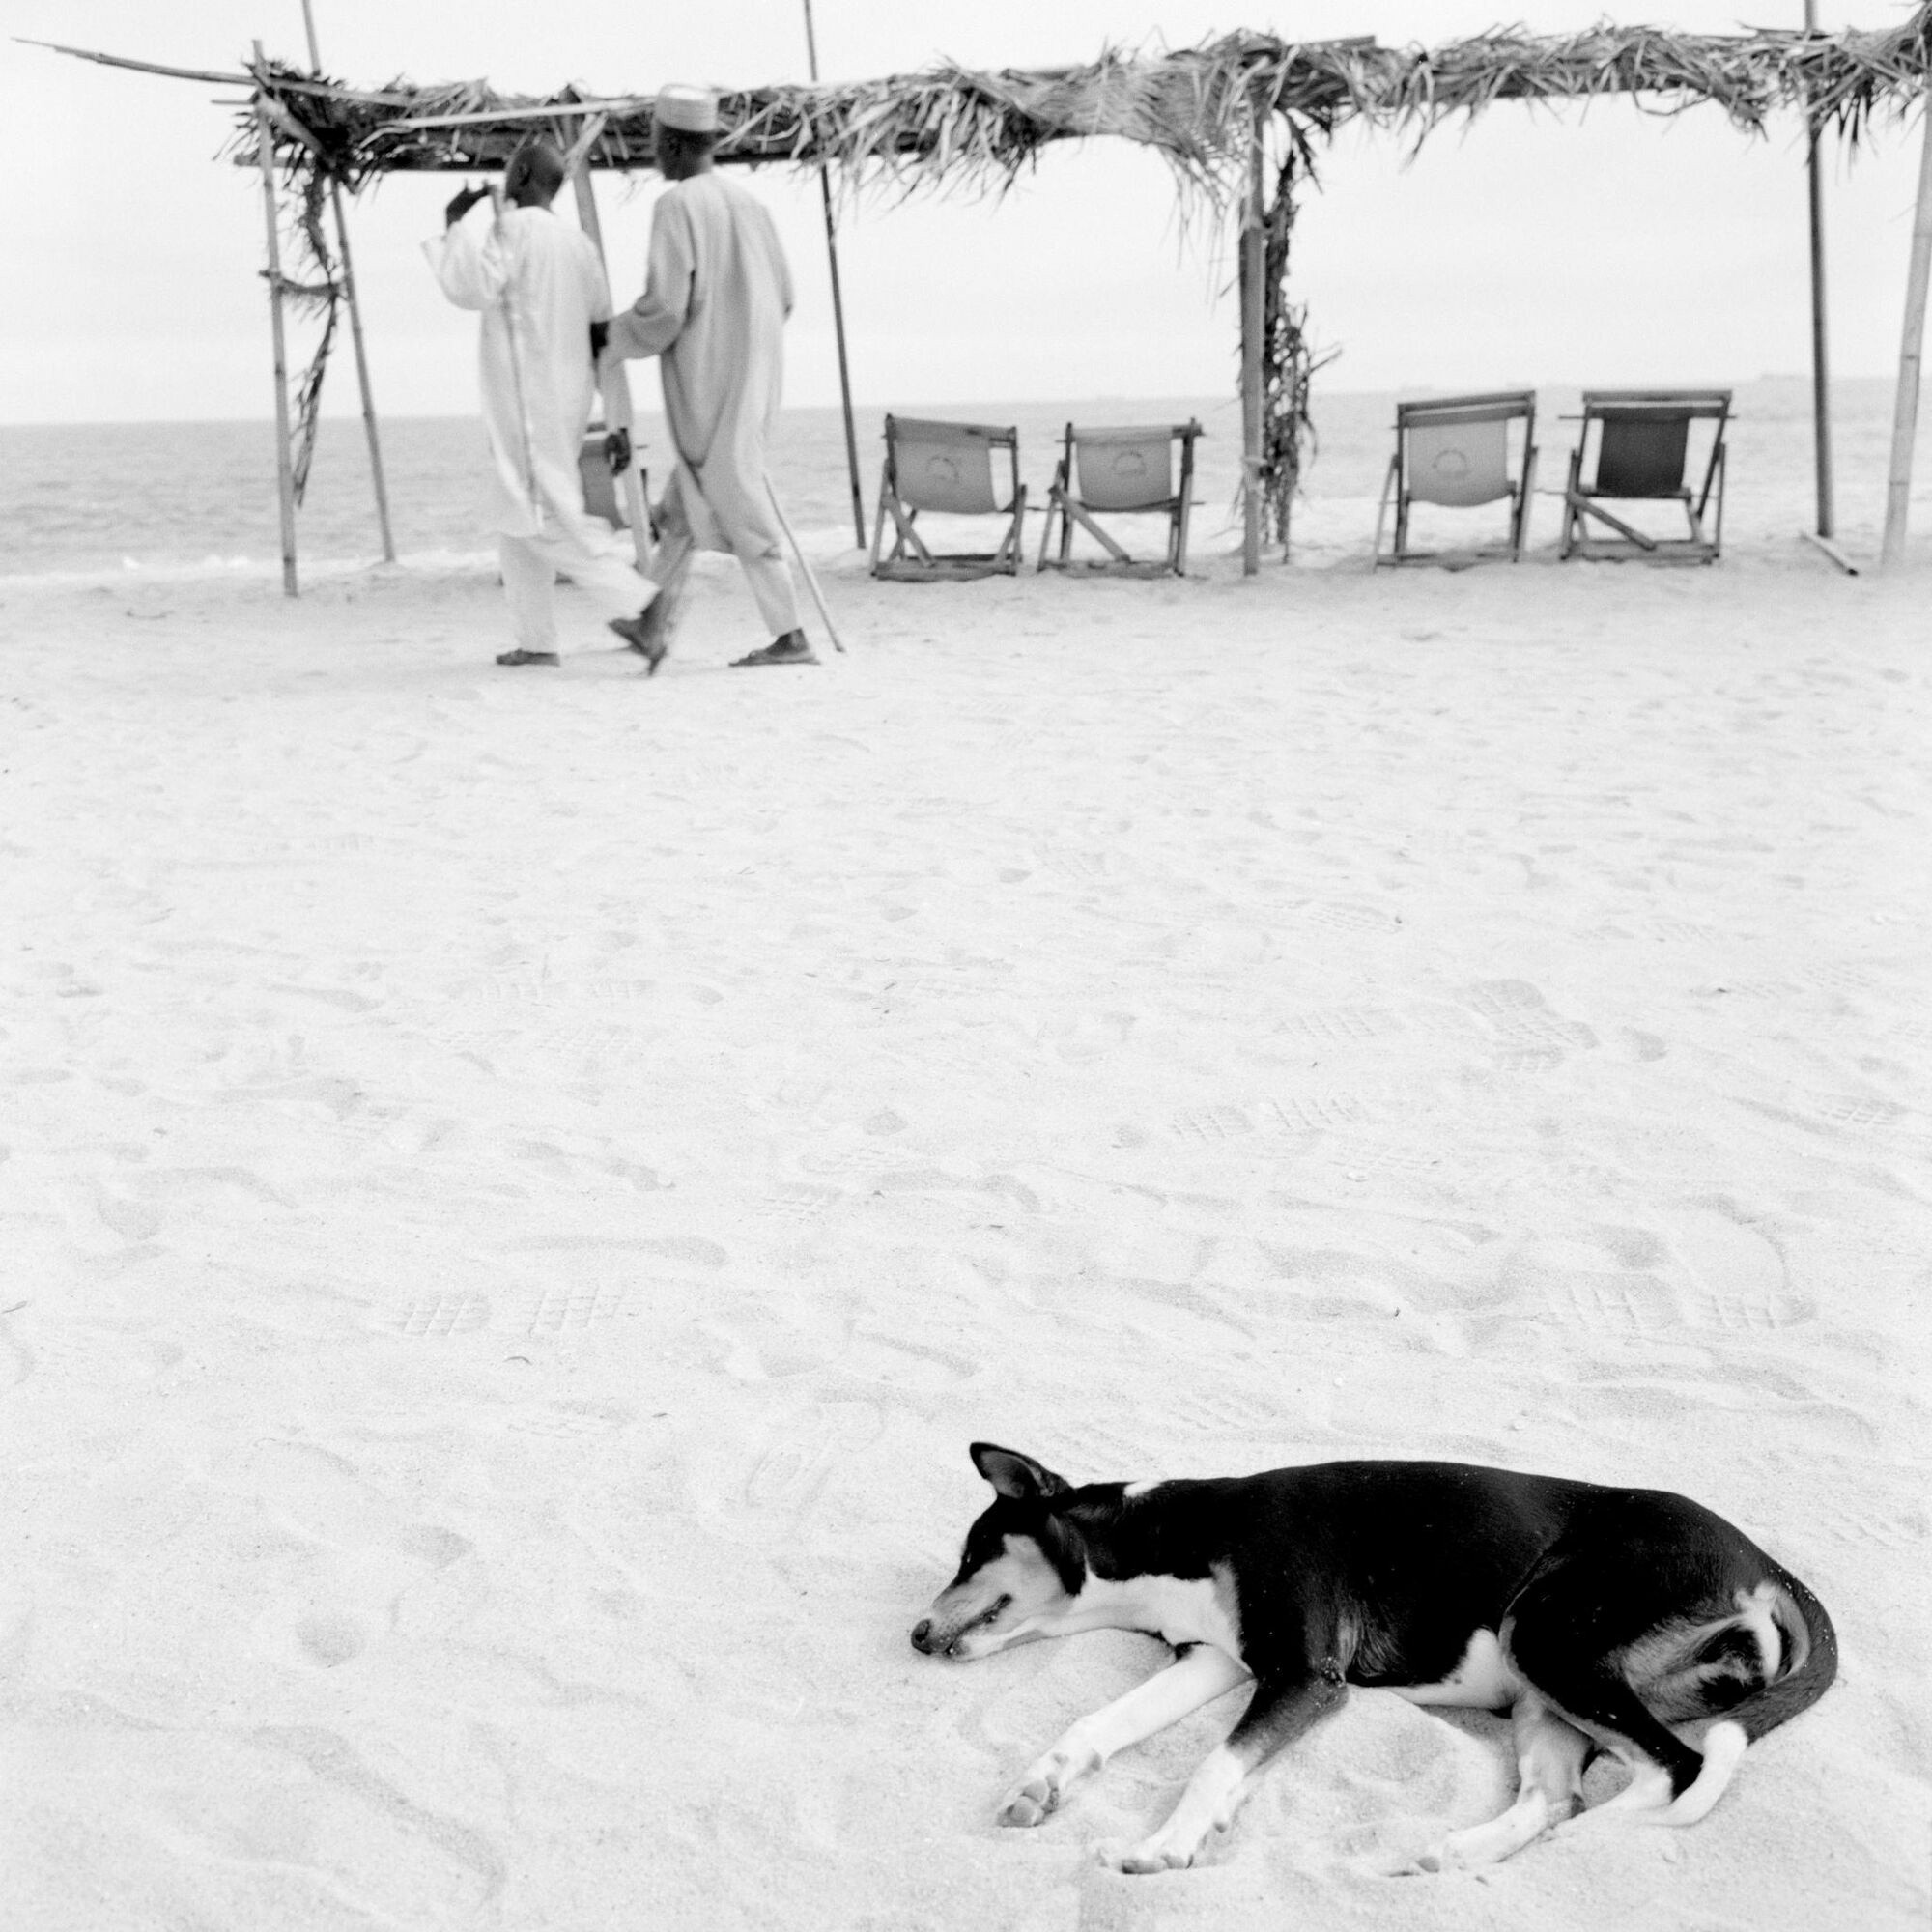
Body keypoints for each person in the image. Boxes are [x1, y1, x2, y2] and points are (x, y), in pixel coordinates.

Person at [601, 85, 816, 669]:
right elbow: (785, 297)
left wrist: (610, 336)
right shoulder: (752, 206)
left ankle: (792, 636)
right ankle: (652, 621)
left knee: (740, 503)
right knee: (682, 507)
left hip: (709, 384)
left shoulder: (676, 207)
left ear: (672, 143)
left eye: (655, 142)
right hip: (756, 378)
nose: (653, 154)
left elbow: (665, 312)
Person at [425, 136, 660, 669]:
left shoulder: (512, 229)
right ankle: (537, 641)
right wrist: (617, 418)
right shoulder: (581, 247)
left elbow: (471, 289)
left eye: (512, 168)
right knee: (517, 517)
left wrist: (454, 223)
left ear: (526, 175)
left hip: (527, 405)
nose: (506, 178)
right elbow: (602, 337)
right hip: (567, 402)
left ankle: (643, 606)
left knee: (546, 518)